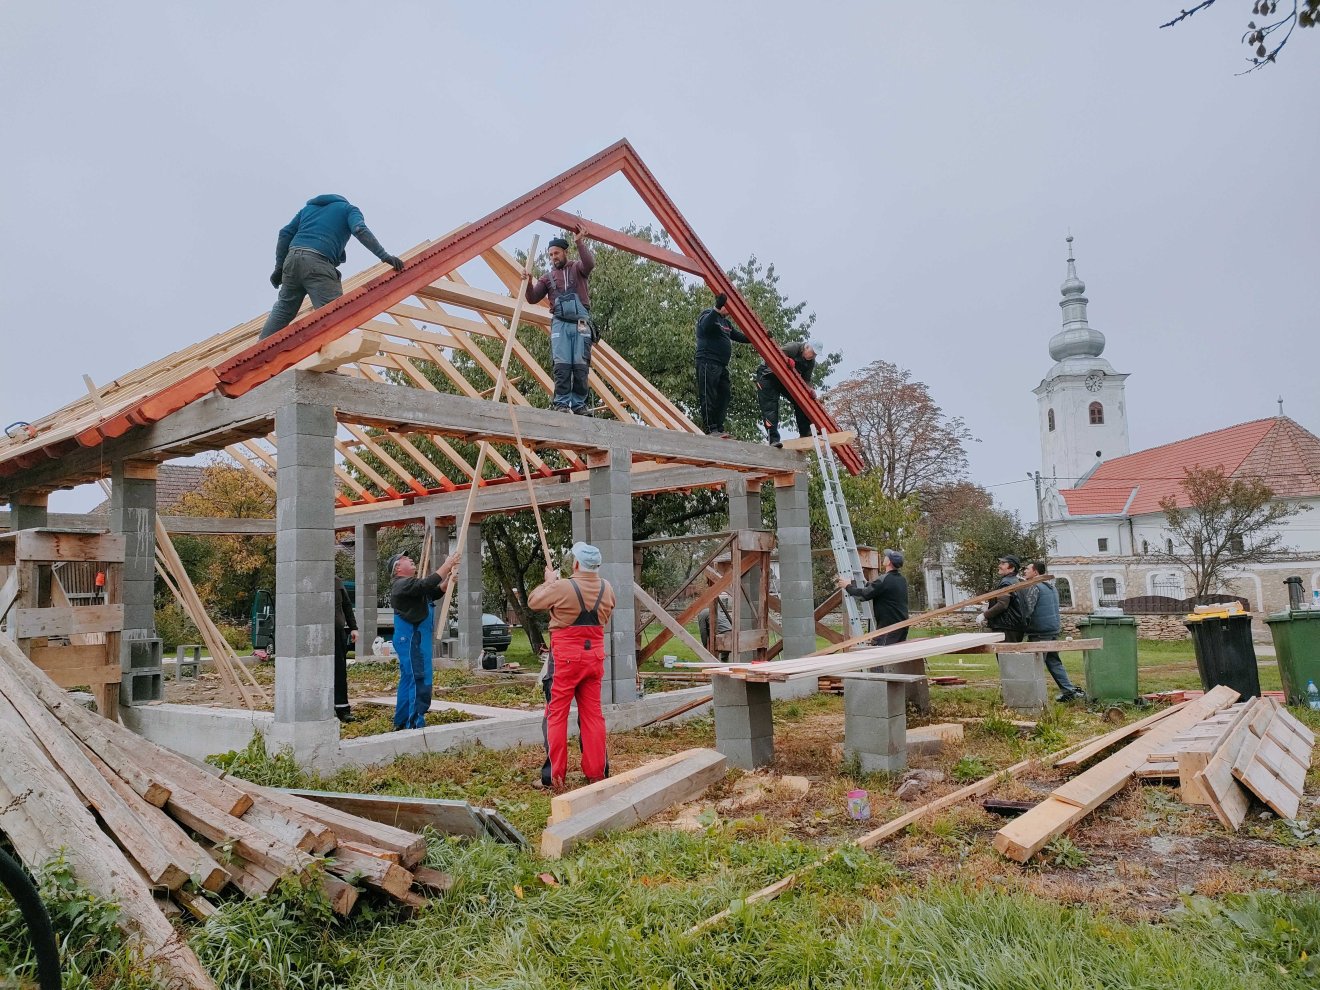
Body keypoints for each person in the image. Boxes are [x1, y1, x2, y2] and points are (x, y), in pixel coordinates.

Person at [527, 542, 616, 789]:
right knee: (593, 716)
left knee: (556, 715)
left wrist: (549, 581)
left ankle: (555, 777)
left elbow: (534, 602)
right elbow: (606, 615)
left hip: (566, 657)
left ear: (576, 564)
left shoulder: (563, 587)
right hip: (594, 657)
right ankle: (597, 773)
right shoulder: (607, 588)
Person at [259, 195, 404, 340]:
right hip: (318, 262)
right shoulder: (349, 209)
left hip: (291, 261)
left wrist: (279, 268)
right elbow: (359, 229)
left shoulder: (308, 209)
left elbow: (285, 233)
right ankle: (326, 348)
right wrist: (384, 256)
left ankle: (260, 350)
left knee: (284, 309)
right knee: (334, 315)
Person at [387, 550, 461, 730]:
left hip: (414, 639)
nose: (410, 559)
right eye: (405, 558)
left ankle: (402, 721)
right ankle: (414, 724)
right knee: (419, 679)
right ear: (398, 568)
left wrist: (446, 583)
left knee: (409, 679)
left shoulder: (410, 586)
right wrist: (447, 565)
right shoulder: (401, 584)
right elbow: (426, 584)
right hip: (413, 639)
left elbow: (431, 591)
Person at [526, 233, 595, 413]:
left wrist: (580, 241)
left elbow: (590, 264)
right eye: (550, 255)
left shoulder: (578, 269)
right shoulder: (547, 278)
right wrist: (527, 283)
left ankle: (579, 405)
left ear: (565, 252)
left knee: (580, 365)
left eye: (556, 253)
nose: (553, 257)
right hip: (560, 324)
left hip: (580, 323)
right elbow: (532, 298)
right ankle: (561, 404)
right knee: (562, 365)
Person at [1022, 561, 1087, 702]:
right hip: (1052, 629)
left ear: (1035, 572)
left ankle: (1030, 698)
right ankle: (1069, 691)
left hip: (1039, 631)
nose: (1024, 571)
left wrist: (1020, 625)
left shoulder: (1034, 587)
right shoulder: (1051, 587)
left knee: (1035, 664)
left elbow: (1028, 610)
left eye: (1027, 569)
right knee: (1053, 661)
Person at [694, 292, 751, 437]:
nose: (730, 312)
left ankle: (718, 427)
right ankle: (710, 428)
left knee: (724, 394)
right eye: (729, 308)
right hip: (708, 361)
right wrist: (716, 308)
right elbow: (706, 326)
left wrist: (759, 337)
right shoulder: (707, 314)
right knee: (709, 395)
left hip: (721, 365)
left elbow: (739, 336)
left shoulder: (726, 323)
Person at [836, 549, 909, 645]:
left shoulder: (884, 580)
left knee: (883, 655)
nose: (884, 557)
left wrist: (847, 586)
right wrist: (867, 584)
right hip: (902, 625)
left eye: (886, 556)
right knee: (896, 656)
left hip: (889, 628)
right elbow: (880, 590)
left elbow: (865, 594)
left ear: (889, 562)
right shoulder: (901, 579)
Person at [756, 339, 822, 447]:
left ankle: (805, 431)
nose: (813, 356)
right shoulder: (793, 347)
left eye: (815, 355)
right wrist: (785, 360)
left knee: (801, 399)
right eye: (813, 353)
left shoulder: (811, 362)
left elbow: (806, 380)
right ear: (806, 347)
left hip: (785, 379)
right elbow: (773, 355)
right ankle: (773, 440)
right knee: (770, 407)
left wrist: (810, 390)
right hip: (768, 375)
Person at [979, 554, 1027, 642]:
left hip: (1006, 627)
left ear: (1012, 568)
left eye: (1003, 564)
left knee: (1006, 655)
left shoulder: (1006, 583)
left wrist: (984, 615)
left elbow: (1002, 604)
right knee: (1013, 654)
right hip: (1014, 626)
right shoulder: (1015, 581)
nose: (999, 565)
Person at [332, 576, 358, 723]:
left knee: (339, 671)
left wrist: (353, 627)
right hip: (318, 635)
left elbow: (347, 605)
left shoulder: (337, 582)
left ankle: (342, 709)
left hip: (337, 633)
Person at [698, 591, 735, 661]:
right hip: (730, 632)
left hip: (722, 634)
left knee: (714, 654)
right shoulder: (715, 610)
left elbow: (703, 631)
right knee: (724, 657)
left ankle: (714, 665)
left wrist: (705, 646)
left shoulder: (702, 614)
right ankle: (723, 666)